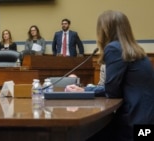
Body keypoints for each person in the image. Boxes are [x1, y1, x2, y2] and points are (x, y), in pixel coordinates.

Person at [65, 10, 154, 141]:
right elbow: (117, 88)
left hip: (132, 123)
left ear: (105, 30)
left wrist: (86, 90)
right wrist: (86, 89)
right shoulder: (136, 50)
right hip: (146, 122)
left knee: (82, 135)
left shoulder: (114, 48)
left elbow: (112, 92)